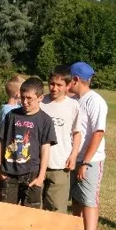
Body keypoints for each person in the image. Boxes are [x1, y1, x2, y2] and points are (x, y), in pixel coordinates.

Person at [69, 62, 108, 230]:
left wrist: (85, 161)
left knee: (89, 201)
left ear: (76, 79)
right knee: (76, 198)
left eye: (69, 79)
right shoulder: (76, 99)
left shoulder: (96, 101)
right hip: (75, 158)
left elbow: (98, 133)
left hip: (90, 160)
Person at [0, 77, 57, 208]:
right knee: (6, 214)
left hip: (32, 174)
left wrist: (41, 177)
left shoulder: (45, 120)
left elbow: (45, 149)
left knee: (30, 215)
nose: (25, 102)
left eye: (29, 98)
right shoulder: (11, 115)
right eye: (23, 97)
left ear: (40, 98)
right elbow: (1, 141)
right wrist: (0, 168)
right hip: (9, 172)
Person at [40, 65, 82, 213]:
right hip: (37, 163)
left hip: (59, 164)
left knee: (56, 207)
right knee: (34, 205)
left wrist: (74, 155)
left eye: (59, 85)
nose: (54, 88)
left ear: (68, 85)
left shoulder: (73, 106)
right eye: (52, 84)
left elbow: (77, 133)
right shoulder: (40, 102)